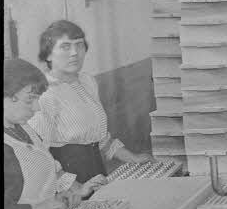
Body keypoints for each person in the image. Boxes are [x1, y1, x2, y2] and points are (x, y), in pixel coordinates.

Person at [34, 20, 147, 182]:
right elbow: (38, 155)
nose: (74, 53)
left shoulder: (87, 81)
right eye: (65, 46)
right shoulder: (44, 94)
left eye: (79, 45)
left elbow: (100, 139)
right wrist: (73, 187)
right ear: (48, 54)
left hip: (96, 173)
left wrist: (132, 157)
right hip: (68, 180)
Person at [3, 58, 104, 209]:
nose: (37, 108)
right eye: (29, 100)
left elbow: (46, 170)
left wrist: (72, 192)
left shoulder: (24, 128)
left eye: (37, 100)